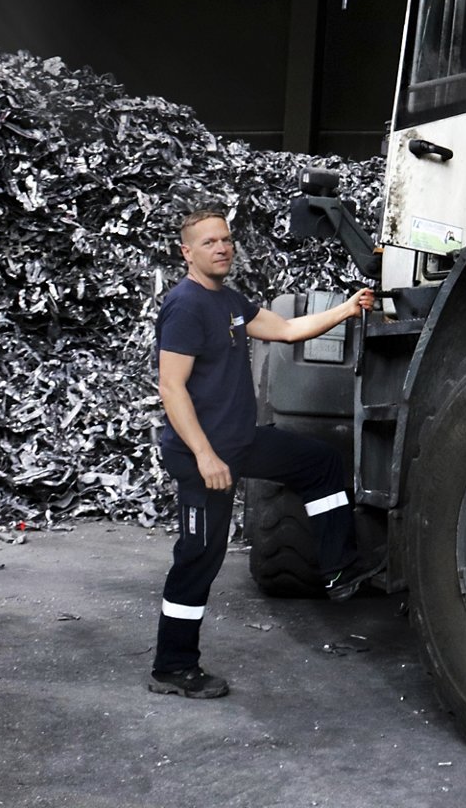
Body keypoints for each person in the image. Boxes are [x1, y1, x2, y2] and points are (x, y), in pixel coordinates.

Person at [148, 207, 376, 699]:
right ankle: (173, 666)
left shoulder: (229, 301)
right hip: (203, 457)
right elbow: (171, 387)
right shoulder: (186, 305)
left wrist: (348, 308)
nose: (222, 248)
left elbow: (289, 330)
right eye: (209, 242)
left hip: (241, 443)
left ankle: (337, 568)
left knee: (321, 464)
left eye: (226, 239)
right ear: (186, 252)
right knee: (198, 559)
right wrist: (206, 457)